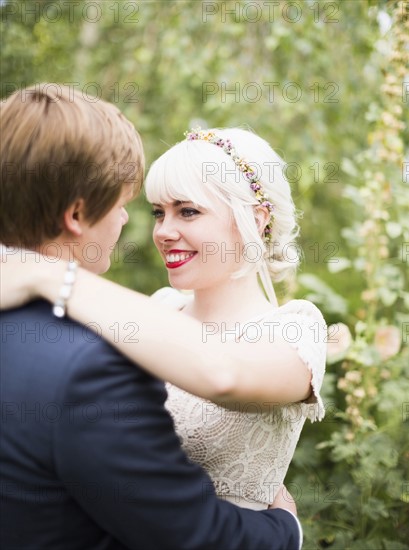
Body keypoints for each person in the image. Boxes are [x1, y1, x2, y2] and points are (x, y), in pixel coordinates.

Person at [0, 84, 303, 550]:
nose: (160, 231)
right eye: (152, 211)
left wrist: (45, 275)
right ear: (78, 214)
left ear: (257, 218)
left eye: (188, 211)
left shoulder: (296, 326)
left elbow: (227, 372)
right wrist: (288, 529)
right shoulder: (120, 340)